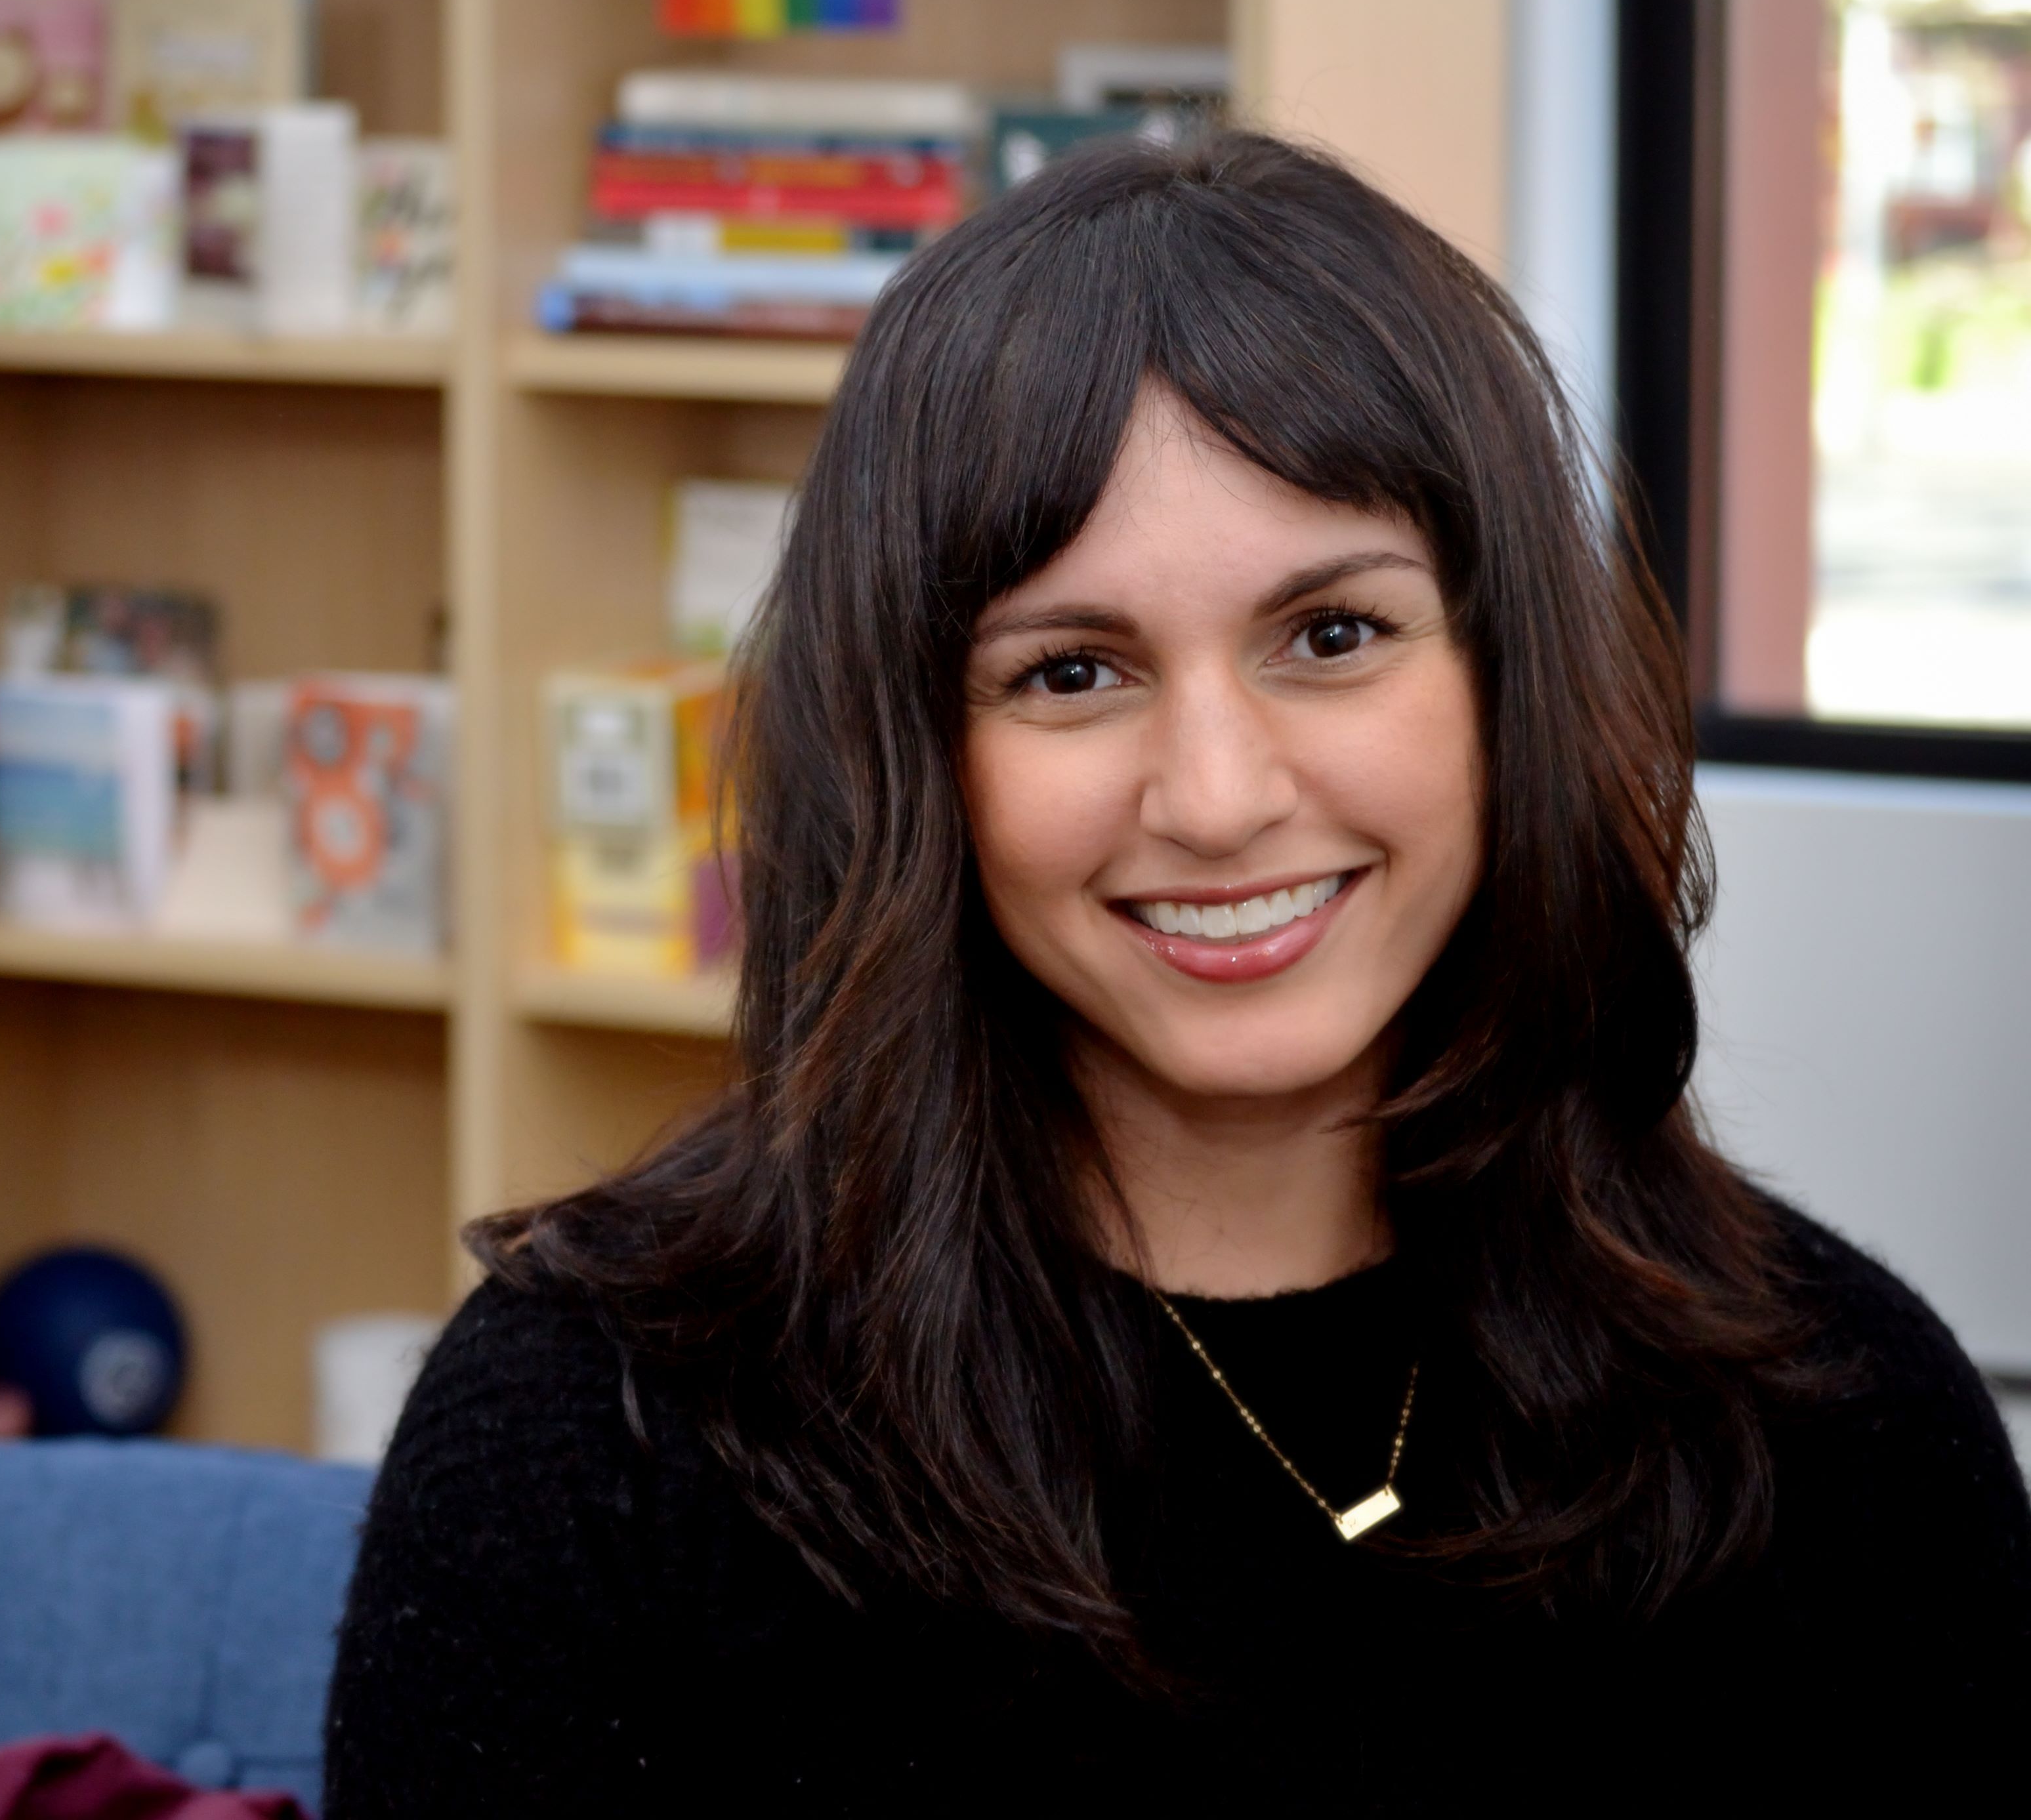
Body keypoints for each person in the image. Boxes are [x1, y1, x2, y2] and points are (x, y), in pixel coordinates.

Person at [322, 131, 2031, 1813]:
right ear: (916, 757)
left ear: (1512, 680)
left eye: (1334, 636)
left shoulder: (1843, 1423)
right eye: (1071, 672)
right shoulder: (589, 1441)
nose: (1217, 798)